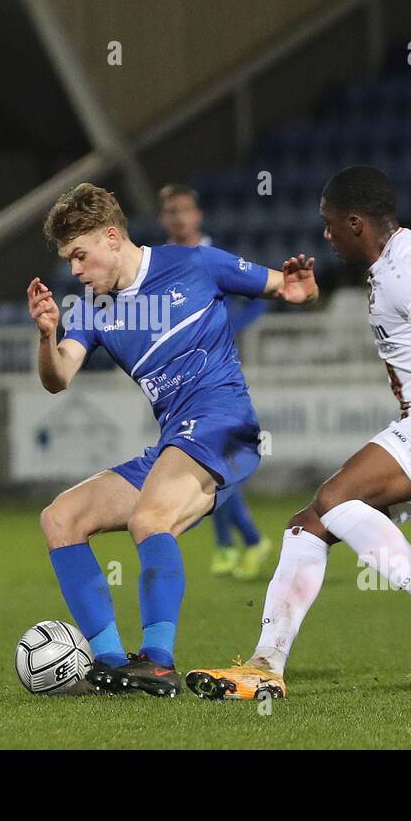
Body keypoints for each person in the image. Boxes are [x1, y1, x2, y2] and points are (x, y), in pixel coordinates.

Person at [185, 165, 411, 699]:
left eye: (330, 223)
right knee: (307, 525)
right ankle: (266, 665)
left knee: (335, 498)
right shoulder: (398, 260)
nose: (326, 234)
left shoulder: (408, 271)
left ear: (356, 223)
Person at [27, 182, 318, 696]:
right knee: (60, 518)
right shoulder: (92, 308)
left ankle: (157, 661)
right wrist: (47, 335)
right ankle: (116, 664)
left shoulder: (196, 263)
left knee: (149, 517)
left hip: (223, 423)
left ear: (112, 238)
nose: (74, 270)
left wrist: (301, 288)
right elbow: (58, 378)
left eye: (79, 255)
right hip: (175, 440)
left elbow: (290, 288)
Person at [158, 183, 273, 580]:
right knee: (205, 466)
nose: (178, 218)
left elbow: (259, 294)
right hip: (180, 380)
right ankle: (229, 545)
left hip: (218, 377)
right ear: (163, 219)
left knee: (210, 464)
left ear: (198, 215)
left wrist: (232, 326)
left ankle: (249, 541)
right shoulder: (161, 262)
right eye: (171, 212)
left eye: (184, 210)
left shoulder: (214, 258)